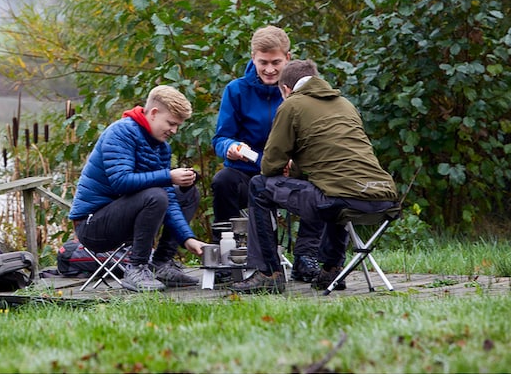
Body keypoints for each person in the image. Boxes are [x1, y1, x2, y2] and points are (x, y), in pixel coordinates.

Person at [229, 59, 399, 294]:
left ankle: (268, 273)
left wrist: (284, 167)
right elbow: (331, 157)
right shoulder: (346, 104)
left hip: (342, 197)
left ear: (286, 89)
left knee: (259, 186)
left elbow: (269, 166)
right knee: (333, 187)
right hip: (384, 198)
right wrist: (296, 169)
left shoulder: (292, 105)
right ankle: (332, 270)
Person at [210, 25, 325, 282]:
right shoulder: (236, 90)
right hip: (248, 173)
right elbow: (220, 138)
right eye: (263, 62)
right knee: (222, 181)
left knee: (322, 183)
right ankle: (225, 258)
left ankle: (306, 257)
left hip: (289, 174)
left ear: (288, 57)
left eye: (276, 62)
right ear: (253, 58)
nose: (270, 70)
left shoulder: (303, 91)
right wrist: (229, 146)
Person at [68, 85, 206, 291]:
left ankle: (161, 264)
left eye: (178, 125)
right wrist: (168, 176)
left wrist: (187, 238)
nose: (174, 131)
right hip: (92, 225)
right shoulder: (121, 132)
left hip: (124, 217)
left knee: (188, 193)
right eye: (171, 123)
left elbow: (168, 194)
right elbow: (121, 181)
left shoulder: (161, 146)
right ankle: (137, 268)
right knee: (156, 195)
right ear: (154, 113)